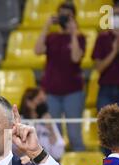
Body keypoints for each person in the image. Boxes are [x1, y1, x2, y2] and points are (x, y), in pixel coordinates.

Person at [35, 1, 85, 151]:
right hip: (51, 91)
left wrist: (73, 32)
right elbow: (37, 50)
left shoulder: (79, 37)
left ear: (74, 17)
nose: (64, 19)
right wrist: (46, 26)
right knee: (54, 134)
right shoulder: (51, 37)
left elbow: (76, 57)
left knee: (74, 133)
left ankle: (78, 164)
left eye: (68, 16)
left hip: (73, 92)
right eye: (62, 15)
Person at [19, 88, 65, 161]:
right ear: (29, 102)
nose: (43, 104)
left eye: (44, 101)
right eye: (40, 100)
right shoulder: (20, 122)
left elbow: (58, 153)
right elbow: (17, 151)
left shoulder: (48, 121)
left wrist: (50, 128)